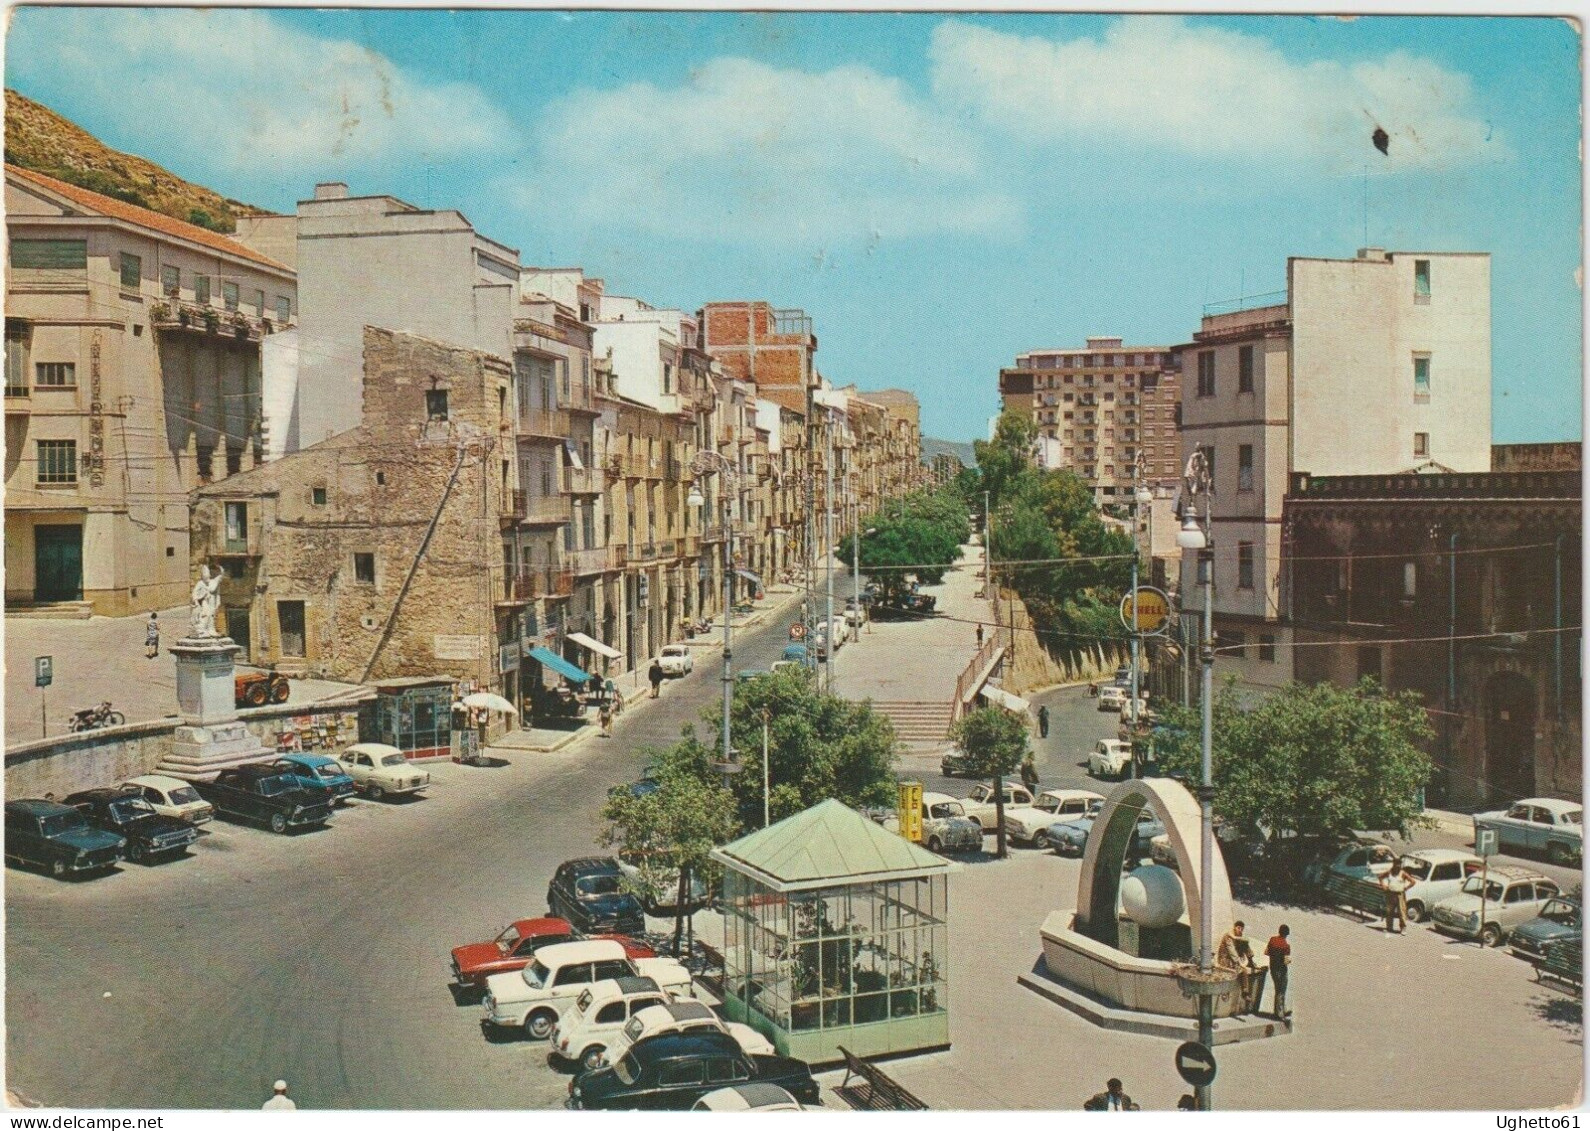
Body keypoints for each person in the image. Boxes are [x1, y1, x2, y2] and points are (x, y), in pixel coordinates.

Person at [1216, 920, 1260, 1014]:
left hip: (1233, 960)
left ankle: (1251, 961)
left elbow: (1244, 946)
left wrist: (1248, 957)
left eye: (1242, 929)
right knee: (1243, 971)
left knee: (1244, 943)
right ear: (1234, 927)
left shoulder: (1238, 936)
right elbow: (1231, 951)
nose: (1240, 930)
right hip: (1225, 960)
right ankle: (1245, 992)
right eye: (1238, 928)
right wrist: (1239, 963)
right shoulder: (1228, 936)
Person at [1265, 924, 1292, 1021]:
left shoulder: (1272, 940)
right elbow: (1286, 961)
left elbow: (1266, 952)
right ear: (1286, 934)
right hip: (1281, 971)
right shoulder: (1286, 946)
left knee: (1277, 990)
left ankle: (1280, 1010)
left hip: (1273, 969)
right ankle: (1280, 1014)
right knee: (1281, 991)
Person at [1381, 862, 1410, 933]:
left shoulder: (1403, 874)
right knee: (1389, 911)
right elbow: (1380, 877)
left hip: (1400, 895)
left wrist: (1406, 887)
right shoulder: (1389, 872)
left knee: (1401, 912)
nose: (1397, 867)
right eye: (1396, 865)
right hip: (1390, 894)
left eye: (1398, 865)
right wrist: (1384, 886)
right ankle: (1389, 927)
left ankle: (1403, 928)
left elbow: (1413, 881)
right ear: (1393, 865)